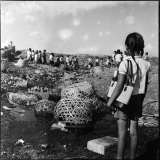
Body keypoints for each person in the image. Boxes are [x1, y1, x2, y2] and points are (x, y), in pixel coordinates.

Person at [106, 32, 151, 159]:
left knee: (121, 133)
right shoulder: (146, 64)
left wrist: (109, 103)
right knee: (134, 133)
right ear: (141, 47)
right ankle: (133, 158)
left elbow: (119, 86)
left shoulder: (125, 63)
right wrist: (141, 100)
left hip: (124, 100)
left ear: (127, 46)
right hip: (137, 99)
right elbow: (145, 86)